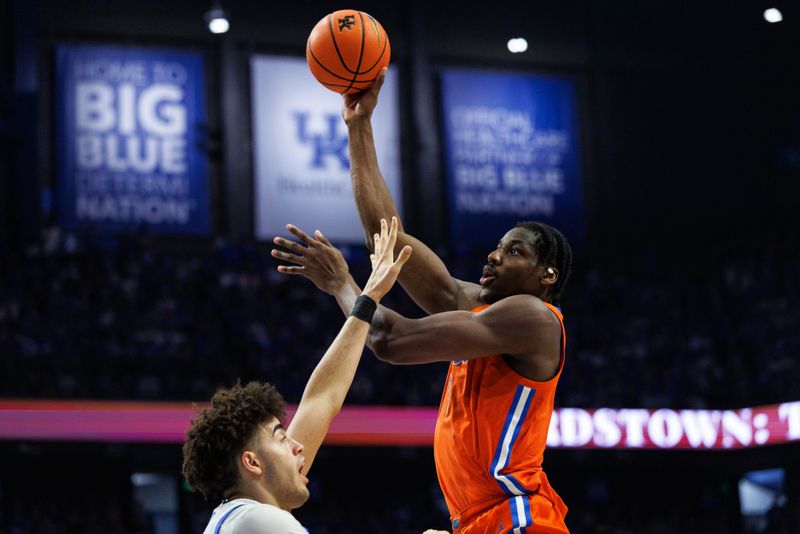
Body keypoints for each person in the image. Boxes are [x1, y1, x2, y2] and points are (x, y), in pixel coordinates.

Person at [272, 70, 573, 533]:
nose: (494, 254)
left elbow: (391, 338)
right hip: (475, 521)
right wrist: (359, 126)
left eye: (516, 251)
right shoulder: (479, 306)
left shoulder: (534, 318)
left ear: (547, 275)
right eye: (498, 245)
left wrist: (342, 284)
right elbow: (388, 239)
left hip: (518, 517)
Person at [182, 218, 411, 533]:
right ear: (251, 463)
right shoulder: (255, 519)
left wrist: (365, 296)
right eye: (281, 437)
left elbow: (322, 398)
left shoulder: (242, 515)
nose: (298, 445)